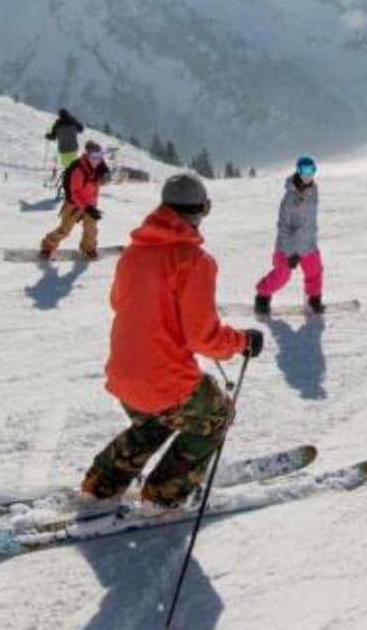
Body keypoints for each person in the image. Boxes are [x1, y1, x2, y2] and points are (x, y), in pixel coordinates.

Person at [80, 173, 264, 507]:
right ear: (201, 210)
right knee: (216, 415)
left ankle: (102, 482)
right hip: (164, 381)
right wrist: (242, 342)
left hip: (123, 375)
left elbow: (118, 302)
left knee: (156, 420)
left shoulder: (134, 253)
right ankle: (163, 493)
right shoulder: (194, 262)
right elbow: (202, 337)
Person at [255, 156, 325, 314]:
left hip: (308, 245)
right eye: (304, 170)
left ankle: (313, 299)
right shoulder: (289, 199)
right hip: (287, 249)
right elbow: (284, 228)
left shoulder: (313, 190)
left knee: (315, 272)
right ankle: (262, 296)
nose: (309, 174)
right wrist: (290, 252)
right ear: (298, 171)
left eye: (312, 170)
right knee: (281, 277)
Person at [40, 139, 110, 260]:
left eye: (100, 156)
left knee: (91, 229)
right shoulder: (79, 170)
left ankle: (88, 249)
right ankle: (47, 246)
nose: (97, 159)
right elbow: (74, 193)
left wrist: (92, 206)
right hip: (74, 204)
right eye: (94, 156)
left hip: (90, 205)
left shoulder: (99, 168)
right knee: (64, 230)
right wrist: (86, 207)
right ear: (87, 155)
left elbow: (96, 185)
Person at [45, 108, 84, 172]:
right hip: (73, 148)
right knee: (73, 166)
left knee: (67, 167)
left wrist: (47, 135)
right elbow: (81, 129)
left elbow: (53, 137)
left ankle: (68, 178)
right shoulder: (72, 121)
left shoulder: (57, 124)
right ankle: (74, 178)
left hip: (63, 149)